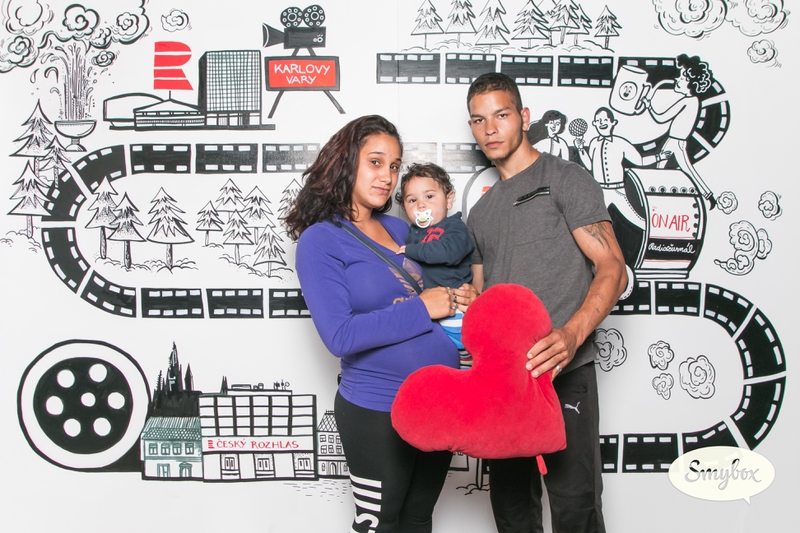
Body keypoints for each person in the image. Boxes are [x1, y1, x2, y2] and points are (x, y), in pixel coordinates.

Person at [284, 115, 475, 533]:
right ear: (346, 161)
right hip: (378, 407)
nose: (387, 176)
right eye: (375, 162)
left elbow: (438, 289)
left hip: (440, 399)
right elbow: (340, 335)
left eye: (394, 166)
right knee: (380, 524)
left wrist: (462, 297)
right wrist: (422, 308)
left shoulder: (398, 227)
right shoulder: (321, 240)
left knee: (418, 520)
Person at [465, 73, 627, 533]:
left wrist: (572, 335)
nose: (490, 128)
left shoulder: (564, 178)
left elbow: (612, 267)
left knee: (576, 507)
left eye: (501, 115)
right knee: (512, 511)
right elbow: (482, 298)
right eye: (478, 120)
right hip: (505, 383)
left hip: (564, 372)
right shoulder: (480, 213)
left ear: (524, 117)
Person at [395, 162, 474, 365]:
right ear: (404, 207)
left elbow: (449, 252)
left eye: (429, 196)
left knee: (464, 364)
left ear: (449, 199)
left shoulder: (455, 227)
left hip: (457, 313)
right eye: (412, 200)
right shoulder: (411, 235)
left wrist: (412, 250)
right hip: (429, 314)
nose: (421, 205)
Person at [576, 106, 672, 230]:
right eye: (598, 121)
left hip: (618, 190)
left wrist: (659, 157)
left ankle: (652, 233)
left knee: (637, 220)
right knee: (591, 224)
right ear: (594, 123)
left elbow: (640, 161)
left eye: (605, 120)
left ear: (613, 122)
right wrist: (580, 149)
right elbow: (590, 166)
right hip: (600, 191)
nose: (602, 123)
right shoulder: (594, 143)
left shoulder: (620, 143)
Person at [643, 53, 716, 209]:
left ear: (690, 82)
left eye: (682, 77)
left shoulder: (688, 101)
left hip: (676, 142)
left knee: (682, 171)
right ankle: (658, 199)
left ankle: (707, 196)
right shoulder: (693, 101)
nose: (677, 79)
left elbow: (661, 117)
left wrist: (649, 105)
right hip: (674, 141)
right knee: (663, 169)